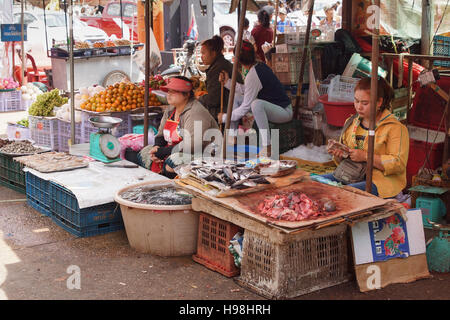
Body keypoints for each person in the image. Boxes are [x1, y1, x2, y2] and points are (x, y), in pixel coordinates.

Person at [323, 77, 409, 199]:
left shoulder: (395, 128)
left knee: (343, 194)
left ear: (379, 102)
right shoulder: (351, 122)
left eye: (364, 103)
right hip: (351, 175)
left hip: (380, 182)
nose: (358, 107)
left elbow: (398, 164)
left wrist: (365, 156)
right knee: (315, 182)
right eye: (356, 101)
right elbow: (343, 162)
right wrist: (339, 154)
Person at [218, 41, 293, 157]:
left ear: (237, 60)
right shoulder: (258, 67)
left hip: (284, 111)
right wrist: (227, 83)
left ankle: (267, 147)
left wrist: (224, 118)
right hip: (275, 108)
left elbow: (245, 107)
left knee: (256, 104)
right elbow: (247, 90)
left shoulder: (254, 73)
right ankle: (232, 137)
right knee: (237, 97)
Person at [138, 76, 219, 178]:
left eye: (174, 91)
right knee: (145, 153)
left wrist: (163, 152)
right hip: (178, 149)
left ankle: (175, 187)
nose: (169, 94)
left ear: (187, 95)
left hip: (204, 154)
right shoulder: (171, 109)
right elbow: (160, 134)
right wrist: (156, 147)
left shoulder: (195, 112)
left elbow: (193, 145)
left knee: (172, 162)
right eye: (168, 91)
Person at [199, 36, 243, 119]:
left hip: (226, 111)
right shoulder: (221, 64)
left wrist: (199, 98)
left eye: (203, 53)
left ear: (213, 53)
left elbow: (213, 100)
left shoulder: (218, 69)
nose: (201, 56)